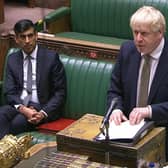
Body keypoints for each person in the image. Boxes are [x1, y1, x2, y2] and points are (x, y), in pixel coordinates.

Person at [107, 6, 168, 160]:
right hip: (128, 135)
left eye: (144, 34)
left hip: (163, 136)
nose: (138, 39)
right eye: (135, 32)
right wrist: (116, 110)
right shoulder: (127, 50)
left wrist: (149, 110)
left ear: (160, 33)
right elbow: (115, 91)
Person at [0, 19, 66, 138]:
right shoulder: (12, 59)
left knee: (17, 123)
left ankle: (5, 152)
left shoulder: (51, 58)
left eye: (30, 36)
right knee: (1, 114)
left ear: (36, 36)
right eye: (23, 37)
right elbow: (9, 92)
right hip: (20, 105)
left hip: (42, 107)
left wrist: (42, 113)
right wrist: (23, 108)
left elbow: (60, 93)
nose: (27, 41)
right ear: (16, 39)